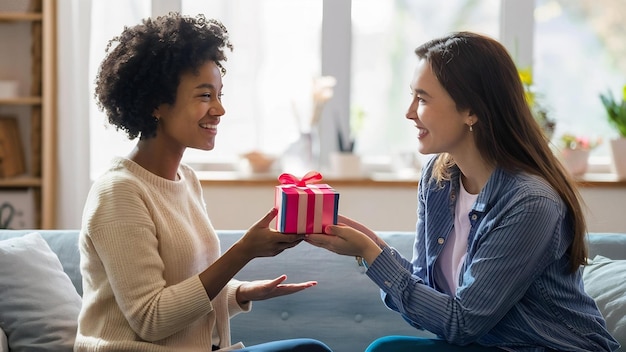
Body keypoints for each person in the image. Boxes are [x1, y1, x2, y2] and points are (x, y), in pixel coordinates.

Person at [306, 31, 620, 351]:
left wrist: (372, 255)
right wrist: (371, 250)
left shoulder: (530, 203)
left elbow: (462, 322)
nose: (409, 112)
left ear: (471, 111)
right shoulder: (438, 178)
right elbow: (430, 308)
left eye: (423, 99)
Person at [76, 12, 332, 352]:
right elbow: (151, 319)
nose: (220, 110)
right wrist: (243, 252)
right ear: (156, 104)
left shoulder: (187, 180)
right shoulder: (119, 192)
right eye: (204, 96)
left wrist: (241, 291)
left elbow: (185, 289)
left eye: (219, 94)